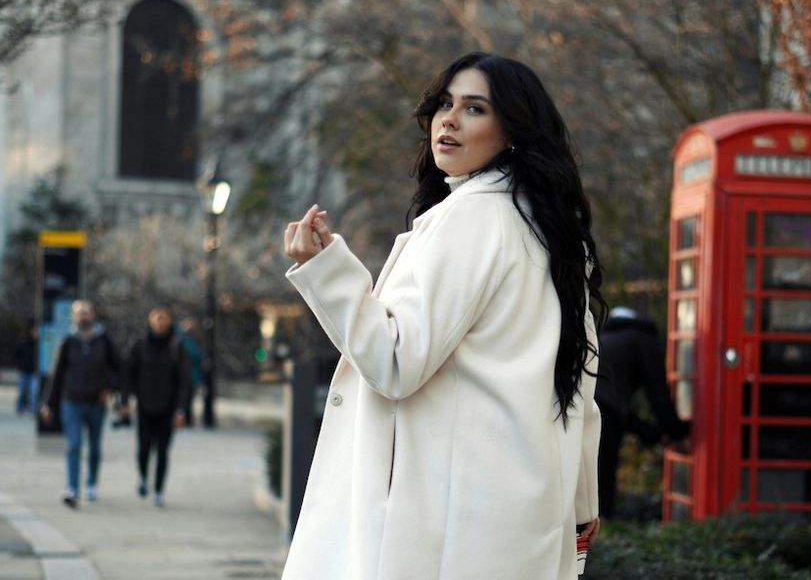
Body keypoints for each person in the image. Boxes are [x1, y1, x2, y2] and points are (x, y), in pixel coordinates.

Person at [281, 52, 605, 579]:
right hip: (520, 514)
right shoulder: (549, 231)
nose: (449, 120)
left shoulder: (472, 218)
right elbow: (578, 384)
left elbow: (395, 362)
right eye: (444, 105)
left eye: (474, 108)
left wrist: (326, 270)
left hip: (443, 518)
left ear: (513, 131)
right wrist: (582, 510)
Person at [594, 306, 691, 519]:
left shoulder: (604, 337)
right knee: (603, 475)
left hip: (590, 407)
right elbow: (657, 391)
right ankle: (602, 527)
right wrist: (677, 431)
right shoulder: (641, 338)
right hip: (605, 410)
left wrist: (653, 434)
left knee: (594, 474)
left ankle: (594, 530)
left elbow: (621, 409)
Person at [40, 300, 121, 509]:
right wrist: (48, 403)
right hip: (72, 401)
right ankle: (72, 488)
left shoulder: (104, 341)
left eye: (86, 313)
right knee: (74, 445)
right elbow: (56, 374)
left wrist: (110, 389)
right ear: (74, 317)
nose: (83, 317)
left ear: (93, 315)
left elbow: (118, 369)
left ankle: (92, 483)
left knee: (94, 446)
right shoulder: (67, 341)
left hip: (96, 402)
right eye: (79, 313)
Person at [120, 305, 190, 508]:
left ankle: (159, 490)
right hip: (144, 407)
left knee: (162, 451)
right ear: (150, 321)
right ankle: (143, 477)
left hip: (168, 409)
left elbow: (184, 381)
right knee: (143, 449)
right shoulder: (140, 345)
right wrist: (124, 401)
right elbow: (127, 375)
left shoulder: (176, 346)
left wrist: (181, 410)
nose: (161, 322)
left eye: (164, 318)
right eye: (157, 318)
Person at [175, 316, 203, 427]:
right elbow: (195, 354)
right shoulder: (182, 337)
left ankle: (185, 419)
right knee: (184, 399)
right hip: (186, 375)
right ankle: (184, 419)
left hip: (190, 376)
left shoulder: (186, 337)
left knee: (187, 399)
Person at [15, 320, 40, 416]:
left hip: (35, 371)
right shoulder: (24, 342)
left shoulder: (40, 344)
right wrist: (20, 365)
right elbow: (17, 355)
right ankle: (20, 407)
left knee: (34, 392)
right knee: (23, 391)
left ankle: (33, 409)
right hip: (24, 370)